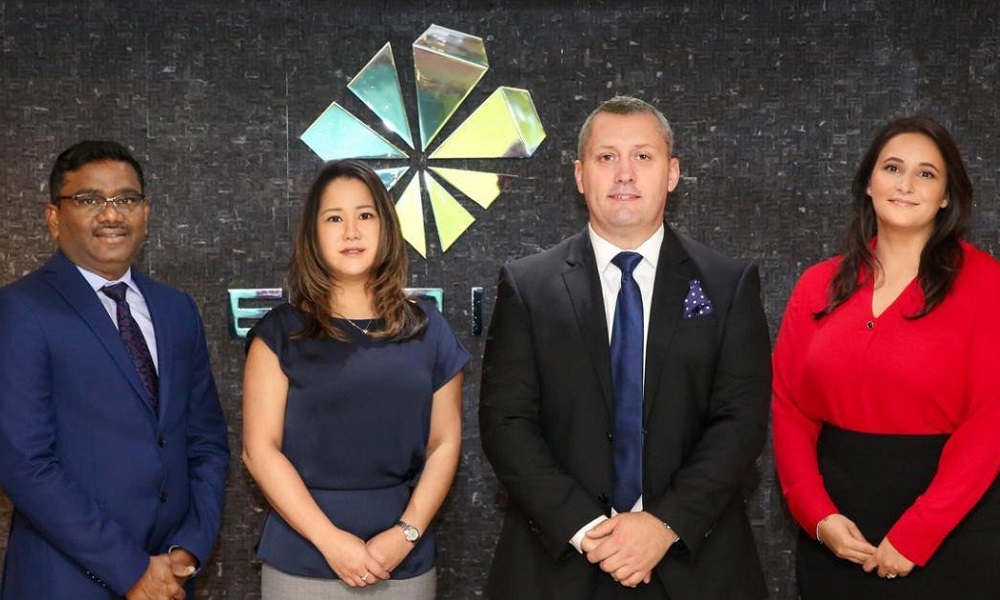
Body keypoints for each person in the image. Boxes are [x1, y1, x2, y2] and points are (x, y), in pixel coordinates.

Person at [479, 96, 771, 600]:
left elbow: (740, 422)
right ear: (580, 175)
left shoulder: (728, 284)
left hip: (695, 562)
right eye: (606, 157)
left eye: (643, 156)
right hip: (559, 561)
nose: (625, 173)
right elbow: (506, 421)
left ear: (672, 173)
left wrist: (663, 525)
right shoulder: (528, 286)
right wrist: (587, 530)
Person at [772, 116, 1000, 599]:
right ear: (868, 183)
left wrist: (920, 532)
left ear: (946, 196)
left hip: (954, 534)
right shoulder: (817, 285)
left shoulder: (987, 286)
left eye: (926, 173)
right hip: (836, 538)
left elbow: (991, 421)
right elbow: (790, 408)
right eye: (893, 167)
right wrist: (817, 516)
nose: (905, 184)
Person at [0, 141, 230, 599]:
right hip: (64, 580)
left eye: (125, 199)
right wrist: (132, 570)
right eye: (89, 199)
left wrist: (188, 549)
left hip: (171, 578)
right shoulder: (20, 310)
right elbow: (24, 463)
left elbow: (206, 444)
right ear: (53, 217)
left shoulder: (177, 309)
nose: (111, 214)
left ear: (146, 214)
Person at [241, 159, 468, 599]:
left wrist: (405, 533)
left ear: (386, 227)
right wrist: (330, 541)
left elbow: (445, 443)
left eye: (365, 215)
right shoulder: (279, 334)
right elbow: (259, 450)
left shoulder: (429, 330)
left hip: (402, 559)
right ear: (313, 235)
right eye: (334, 218)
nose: (351, 232)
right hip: (303, 559)